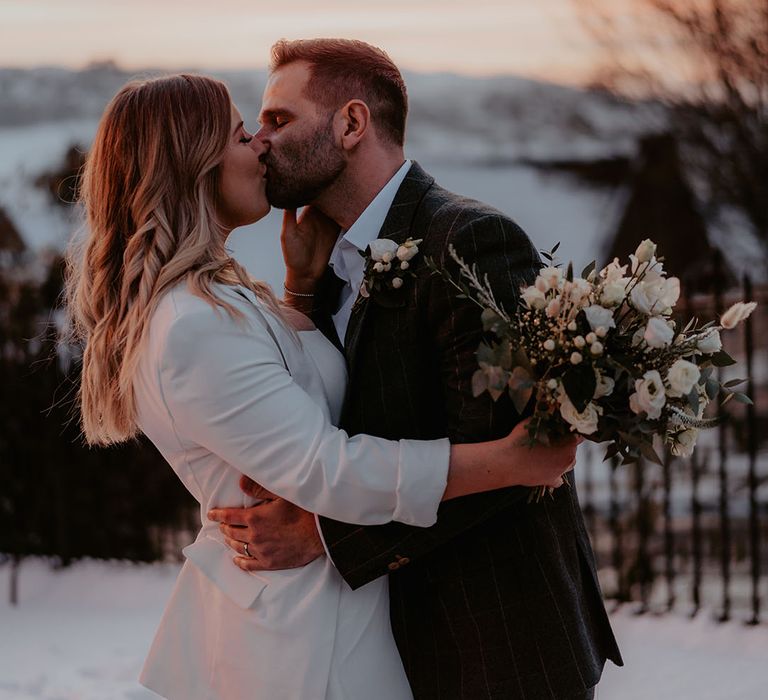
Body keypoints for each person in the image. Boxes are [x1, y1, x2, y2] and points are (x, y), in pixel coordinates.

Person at [64, 74, 578, 700]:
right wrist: (507, 461)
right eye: (241, 133)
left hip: (330, 613)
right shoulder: (190, 325)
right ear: (191, 163)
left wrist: (302, 288)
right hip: (307, 639)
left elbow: (295, 391)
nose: (259, 146)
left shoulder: (215, 298)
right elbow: (330, 468)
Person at [211, 38, 624, 699]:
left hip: (497, 645)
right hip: (401, 642)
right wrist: (304, 289)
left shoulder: (467, 240)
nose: (260, 140)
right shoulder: (331, 256)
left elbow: (515, 464)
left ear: (351, 124)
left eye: (279, 119)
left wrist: (324, 534)